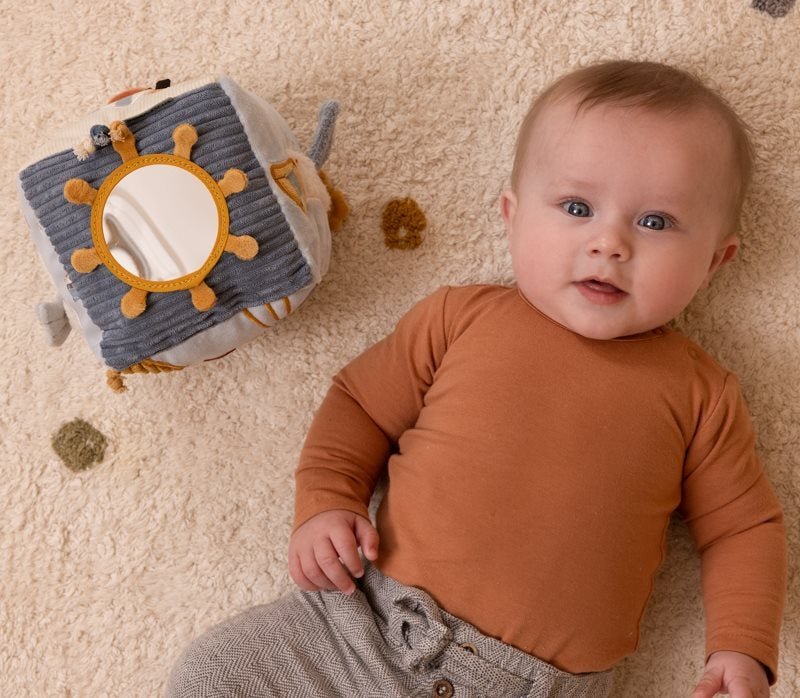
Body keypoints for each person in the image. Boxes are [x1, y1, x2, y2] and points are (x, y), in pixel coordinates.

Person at [167, 60, 787, 698]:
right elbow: (360, 405)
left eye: (655, 222)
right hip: (362, 630)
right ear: (512, 215)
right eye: (577, 207)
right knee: (214, 672)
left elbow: (742, 529)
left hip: (536, 687)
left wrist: (740, 649)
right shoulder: (461, 318)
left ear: (715, 261)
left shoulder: (701, 394)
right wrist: (327, 502)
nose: (610, 243)